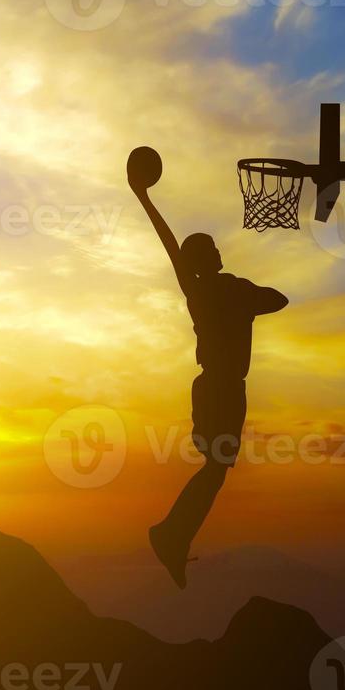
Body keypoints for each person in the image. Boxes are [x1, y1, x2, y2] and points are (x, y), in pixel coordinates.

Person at [130, 177, 289, 588]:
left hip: (223, 390)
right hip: (221, 388)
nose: (220, 252)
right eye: (213, 249)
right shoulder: (216, 291)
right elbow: (278, 299)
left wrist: (245, 296)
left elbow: (277, 299)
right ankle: (169, 534)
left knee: (215, 471)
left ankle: (172, 535)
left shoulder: (209, 291)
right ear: (203, 259)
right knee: (215, 470)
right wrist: (144, 198)